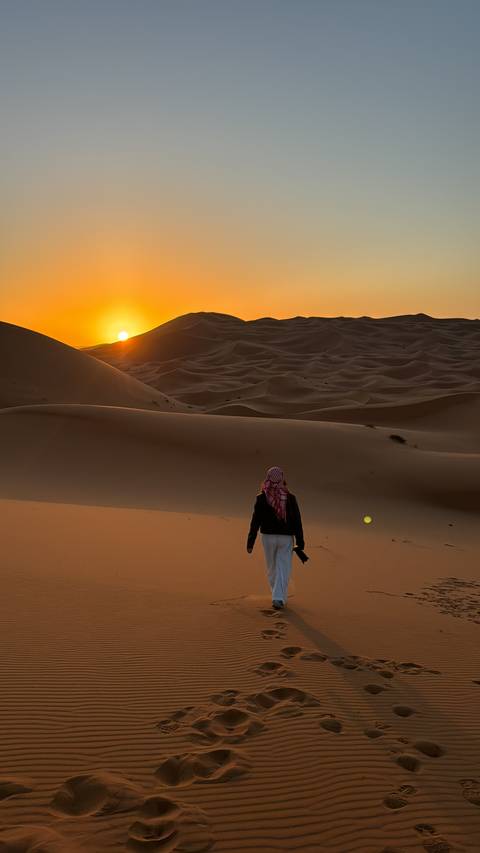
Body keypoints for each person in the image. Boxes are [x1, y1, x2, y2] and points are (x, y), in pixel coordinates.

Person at [246, 465, 305, 610]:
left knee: (272, 567)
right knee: (283, 567)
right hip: (286, 538)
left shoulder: (261, 498)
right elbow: (297, 520)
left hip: (268, 537)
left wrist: (250, 541)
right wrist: (300, 540)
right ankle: (278, 596)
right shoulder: (290, 498)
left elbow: (255, 521)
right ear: (282, 479)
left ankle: (277, 596)